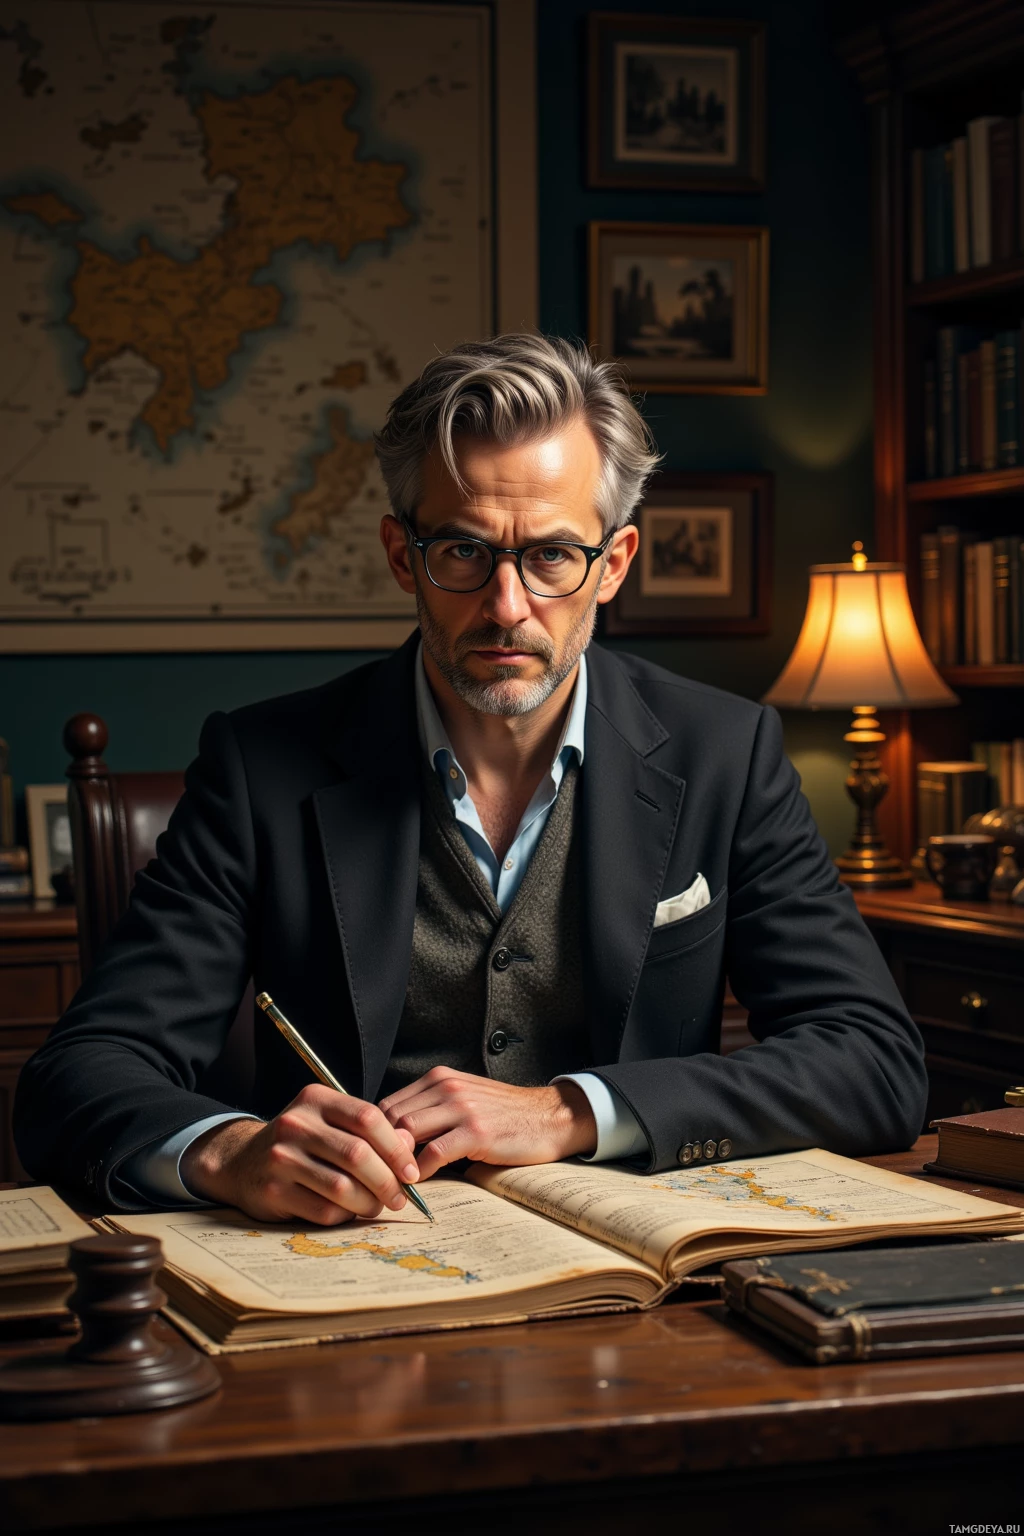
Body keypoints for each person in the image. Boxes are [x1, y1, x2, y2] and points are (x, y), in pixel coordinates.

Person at [14, 334, 927, 1224]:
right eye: (462, 551)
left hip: (643, 1301)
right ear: (399, 553)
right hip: (351, 1283)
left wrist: (569, 1111)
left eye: (552, 556)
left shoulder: (725, 752)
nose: (506, 606)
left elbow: (874, 1062)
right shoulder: (261, 768)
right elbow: (78, 1076)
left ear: (613, 566)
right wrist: (226, 1150)